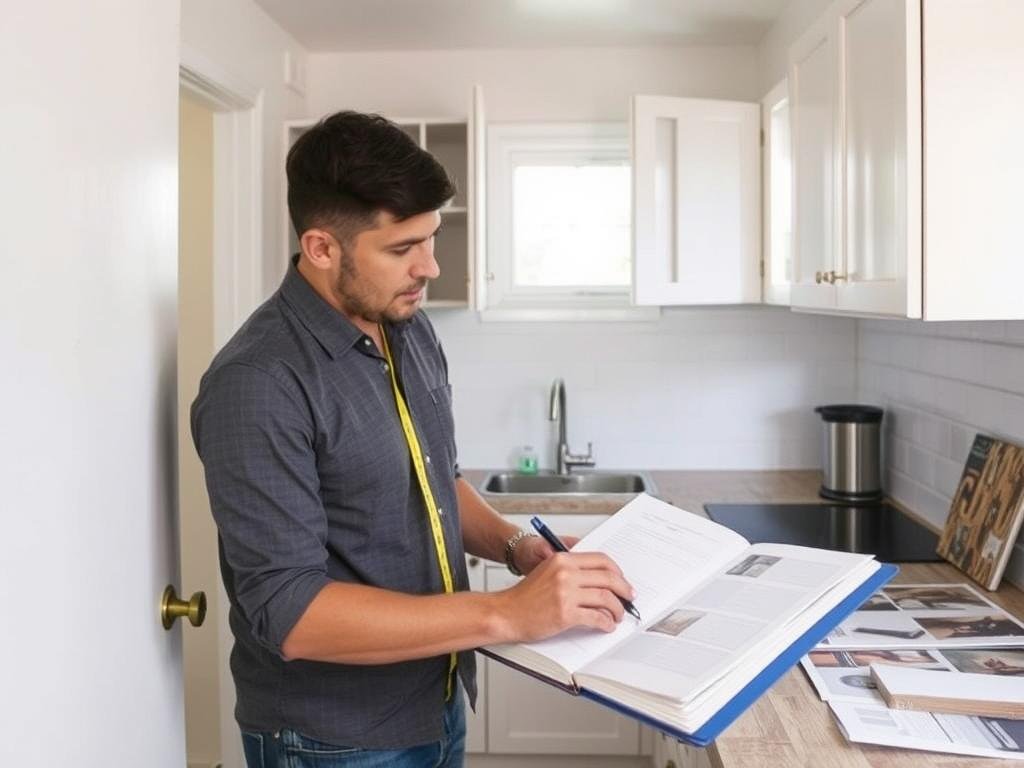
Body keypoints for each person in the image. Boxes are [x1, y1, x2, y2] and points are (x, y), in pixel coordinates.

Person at [191, 111, 635, 768]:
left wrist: (519, 547)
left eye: (431, 238)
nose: (430, 266)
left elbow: (435, 480)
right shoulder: (258, 382)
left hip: (436, 701)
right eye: (402, 249)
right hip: (331, 741)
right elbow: (291, 613)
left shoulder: (406, 326)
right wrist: (507, 613)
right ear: (321, 248)